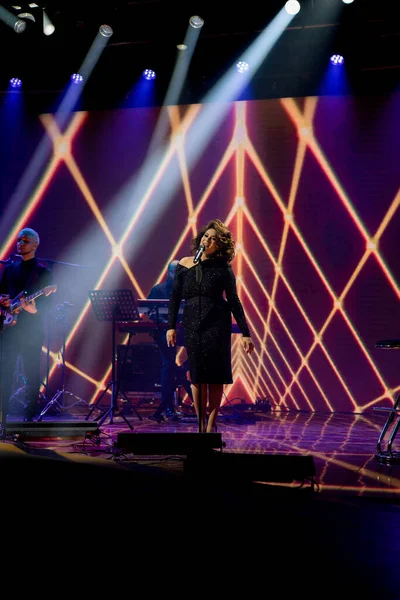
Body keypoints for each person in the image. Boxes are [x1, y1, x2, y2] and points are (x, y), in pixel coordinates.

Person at [167, 219, 254, 433]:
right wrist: (171, 326)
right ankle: (199, 424)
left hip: (216, 324)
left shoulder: (223, 269)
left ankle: (211, 425)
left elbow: (233, 300)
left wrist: (245, 332)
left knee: (215, 376)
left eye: (213, 239)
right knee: (196, 375)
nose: (207, 240)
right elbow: (175, 297)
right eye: (206, 236)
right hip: (192, 324)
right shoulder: (185, 264)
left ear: (219, 245)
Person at [0, 228, 54, 423]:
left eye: (25, 240)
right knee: (4, 371)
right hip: (9, 330)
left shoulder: (42, 271)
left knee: (32, 372)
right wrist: (4, 301)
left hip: (32, 330)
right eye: (19, 240)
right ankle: (2, 416)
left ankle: (29, 418)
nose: (20, 243)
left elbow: (49, 303)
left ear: (35, 245)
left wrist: (35, 310)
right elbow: (2, 293)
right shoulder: (10, 269)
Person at [147, 260, 193, 422]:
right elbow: (149, 311)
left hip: (184, 330)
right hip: (164, 332)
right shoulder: (158, 290)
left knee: (202, 354)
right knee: (168, 365)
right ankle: (168, 407)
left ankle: (180, 372)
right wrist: (165, 322)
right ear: (169, 272)